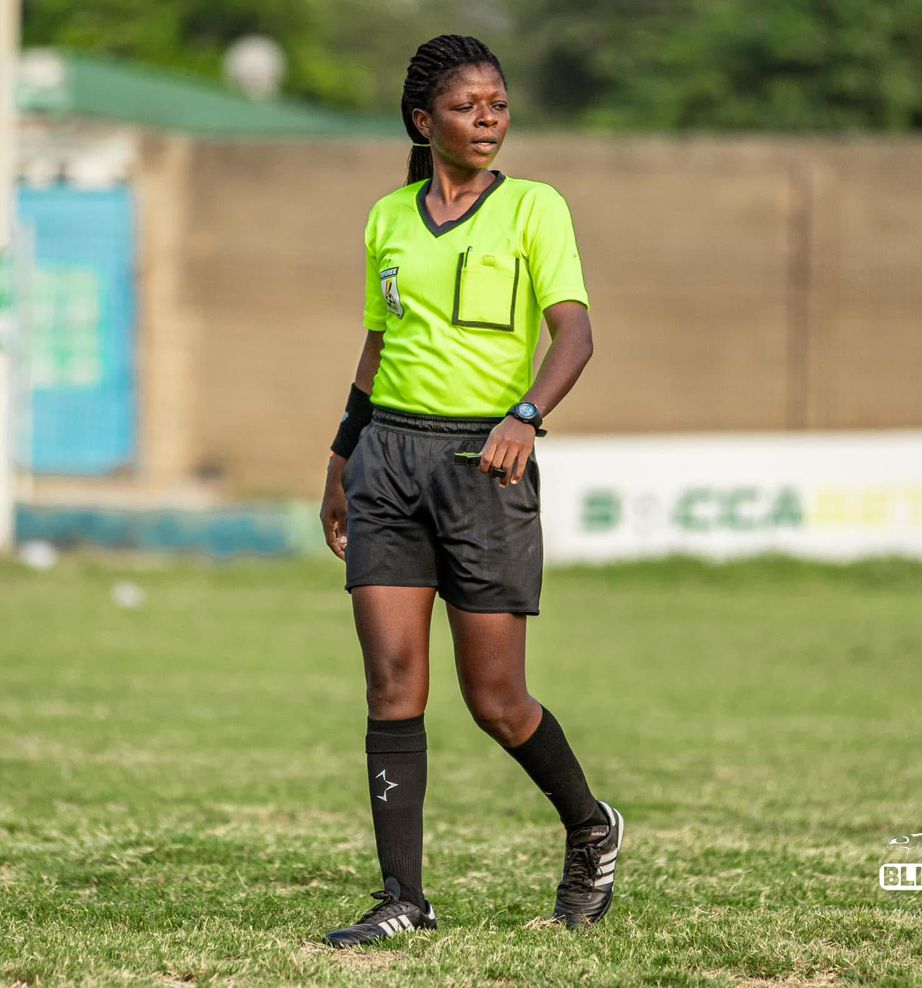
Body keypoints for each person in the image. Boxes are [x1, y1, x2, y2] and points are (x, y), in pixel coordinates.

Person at [318, 34, 623, 949]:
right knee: (391, 684)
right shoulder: (386, 219)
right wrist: (341, 457)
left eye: (497, 104)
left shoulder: (536, 208)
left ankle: (590, 828)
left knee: (496, 701)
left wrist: (526, 414)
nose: (487, 120)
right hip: (388, 462)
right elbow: (377, 350)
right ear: (424, 121)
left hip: (486, 470)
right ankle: (403, 897)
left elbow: (574, 334)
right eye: (467, 107)